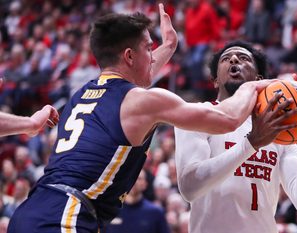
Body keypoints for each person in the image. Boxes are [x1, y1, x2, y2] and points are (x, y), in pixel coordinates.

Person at [8, 5, 277, 233]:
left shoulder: (83, 94)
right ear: (128, 55)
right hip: (65, 216)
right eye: (149, 48)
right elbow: (228, 119)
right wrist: (254, 86)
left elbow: (136, 78)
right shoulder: (143, 101)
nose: (153, 56)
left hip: (33, 211)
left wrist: (169, 46)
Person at [174, 40, 297, 233]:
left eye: (244, 58)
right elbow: (190, 188)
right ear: (215, 80)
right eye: (225, 59)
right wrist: (251, 144)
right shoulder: (198, 114)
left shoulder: (277, 127)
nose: (234, 59)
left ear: (259, 78)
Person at [103, 169, 170, 233]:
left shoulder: (156, 212)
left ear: (145, 185)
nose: (134, 181)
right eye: (131, 176)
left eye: (139, 178)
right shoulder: (110, 210)